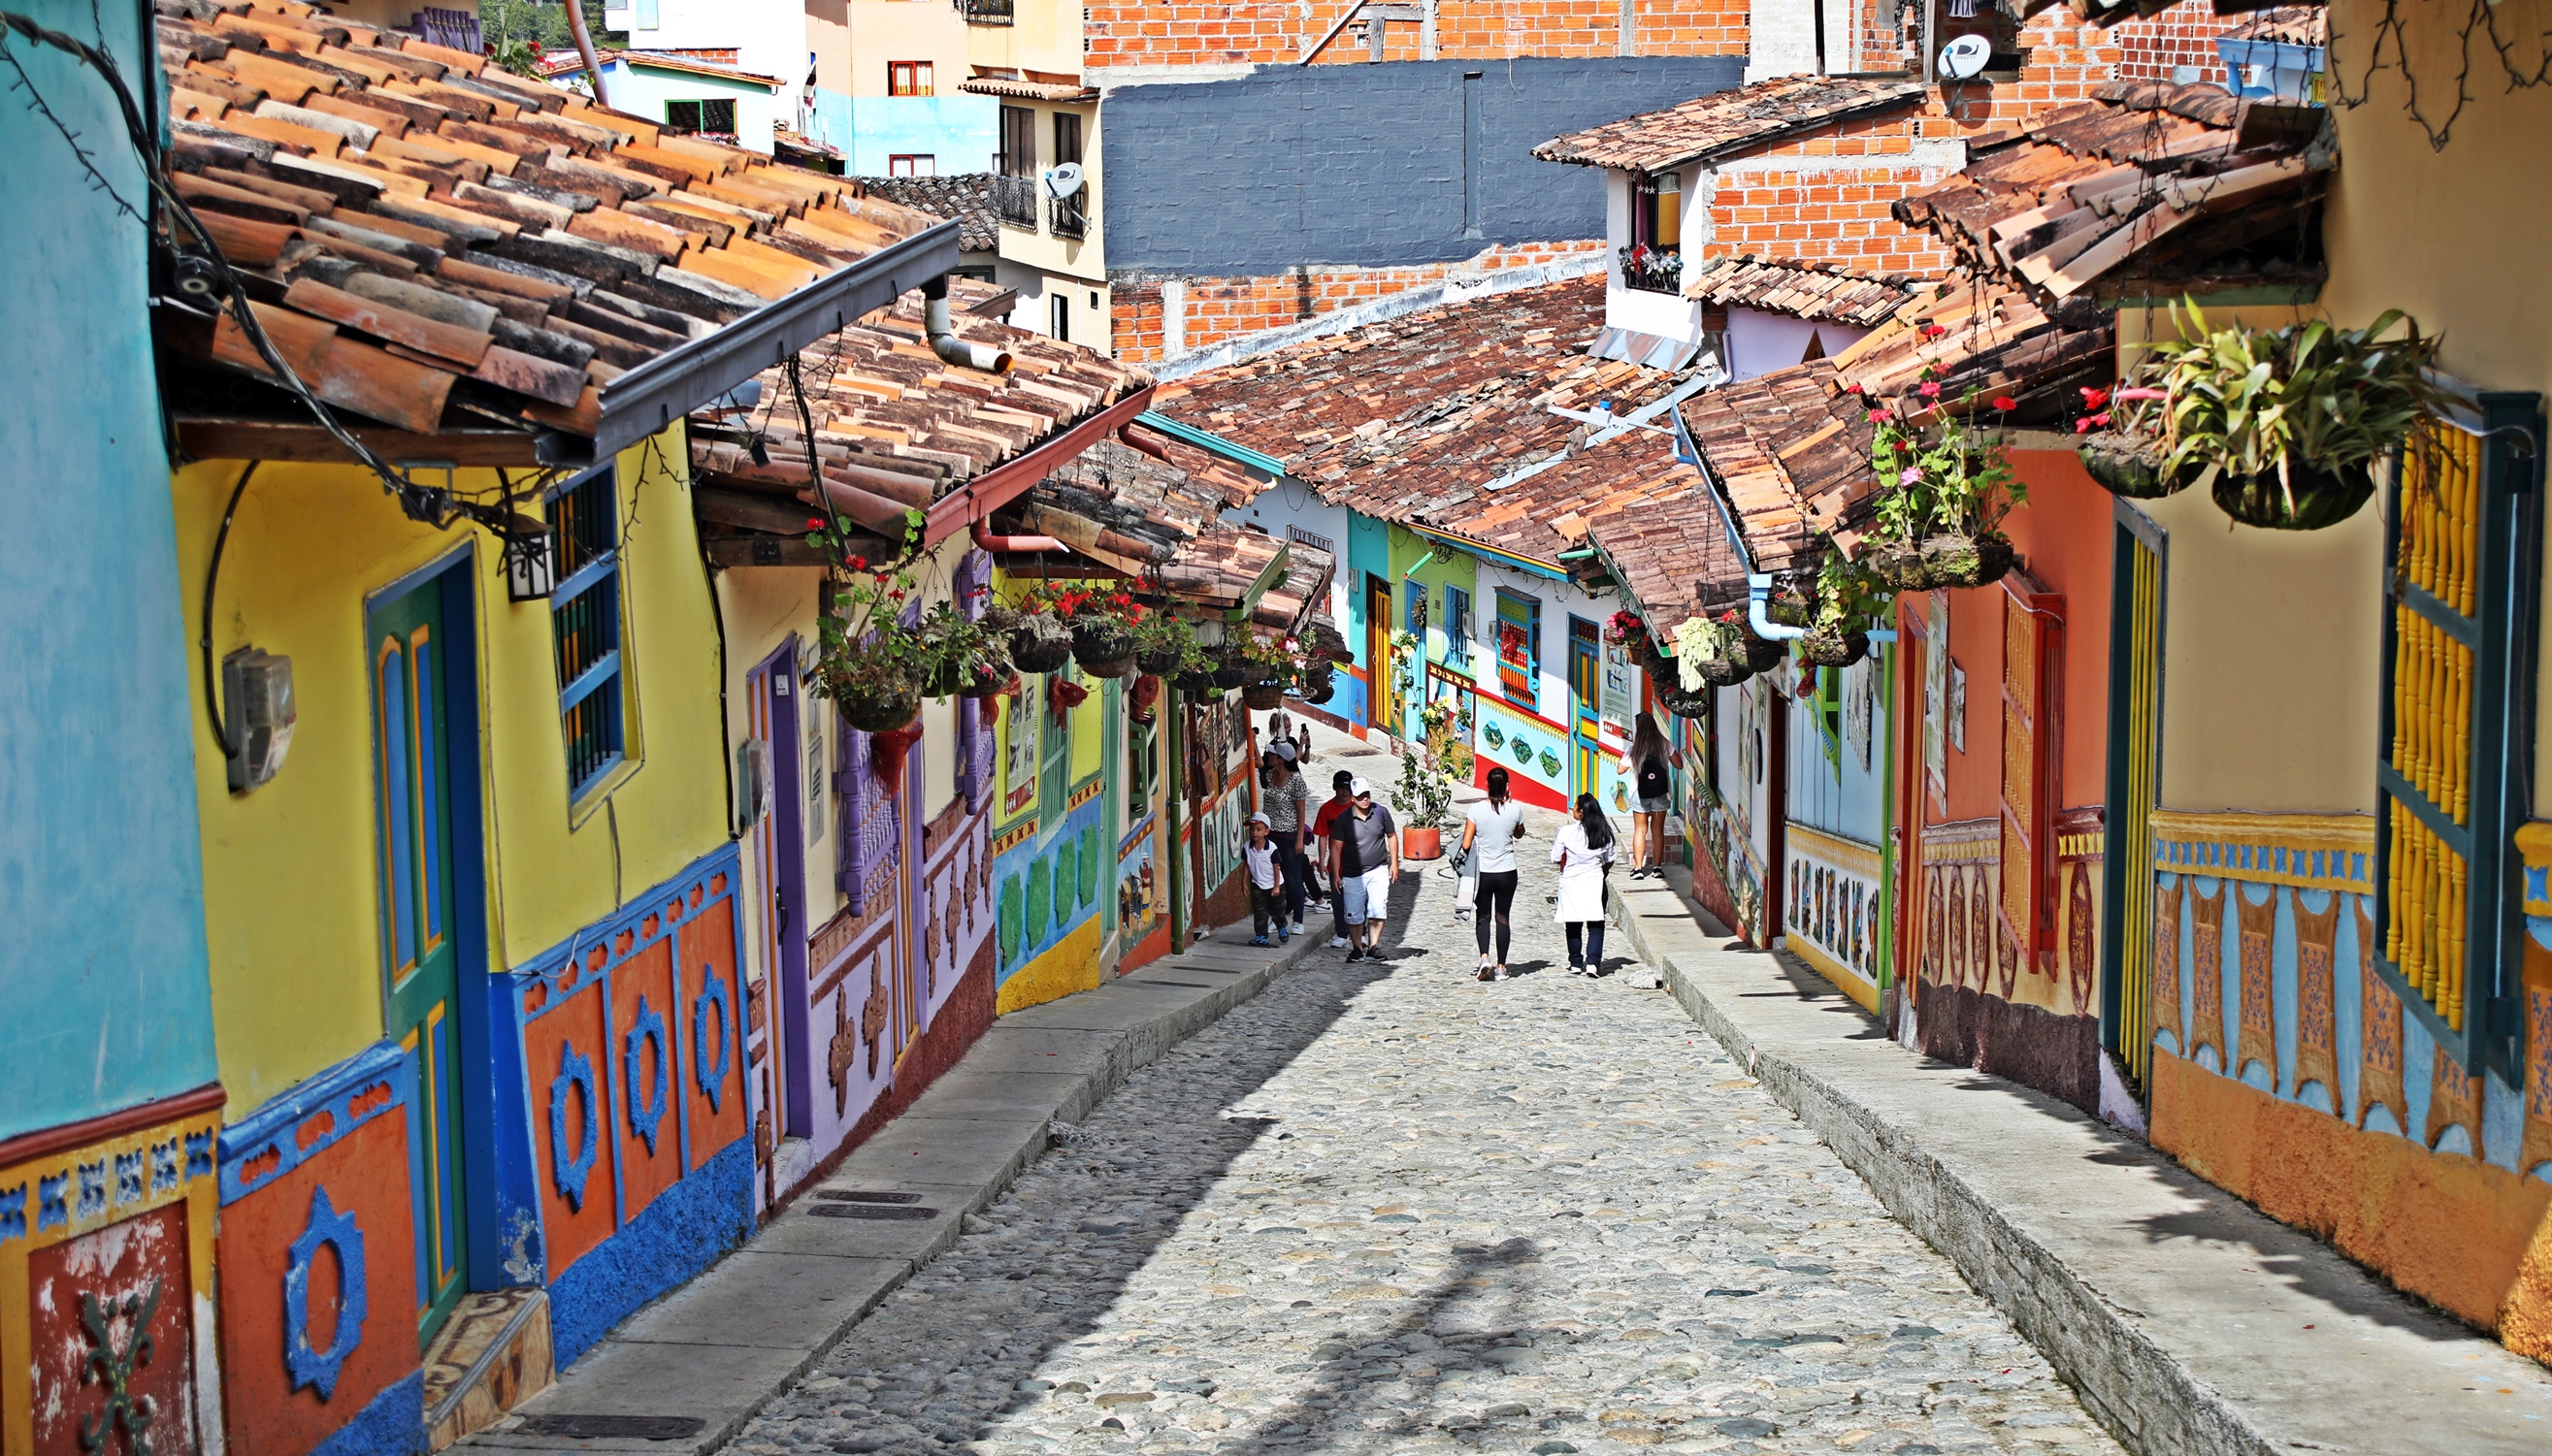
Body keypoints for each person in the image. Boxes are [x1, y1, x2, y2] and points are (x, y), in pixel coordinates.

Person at [1457, 765, 1527, 982]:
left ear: (1487, 785)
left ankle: (1484, 958)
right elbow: (1520, 833)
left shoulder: (1476, 810)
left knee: (1483, 917)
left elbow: (1466, 843)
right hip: (1507, 872)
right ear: (1506, 786)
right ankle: (1502, 968)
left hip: (1484, 873)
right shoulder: (1515, 811)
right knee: (1503, 918)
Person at [1327, 776, 1400, 963]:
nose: (1365, 799)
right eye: (1360, 796)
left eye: (1367, 794)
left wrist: (1394, 863)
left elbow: (1391, 836)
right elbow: (1335, 847)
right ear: (1353, 798)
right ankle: (1357, 948)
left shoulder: (1381, 813)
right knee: (1353, 913)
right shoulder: (1344, 820)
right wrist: (1335, 873)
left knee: (1378, 908)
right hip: (1352, 873)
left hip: (1378, 869)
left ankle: (1373, 946)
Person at [1552, 792, 1617, 976]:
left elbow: (1555, 857)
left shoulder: (1566, 832)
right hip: (1595, 882)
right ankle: (1593, 963)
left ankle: (1575, 963)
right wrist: (1603, 870)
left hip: (1571, 883)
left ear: (1581, 812)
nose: (1572, 808)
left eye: (1575, 806)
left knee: (1573, 923)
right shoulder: (1604, 832)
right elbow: (1610, 858)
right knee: (1596, 923)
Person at [1261, 742, 1312, 935]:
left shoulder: (1296, 781)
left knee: (1293, 879)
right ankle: (1278, 917)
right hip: (1270, 836)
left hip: (1289, 837)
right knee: (1274, 879)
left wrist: (1299, 839)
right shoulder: (1270, 775)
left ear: (1281, 758)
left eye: (1271, 754)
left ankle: (1298, 920)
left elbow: (1301, 811)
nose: (1268, 756)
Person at [1312, 769, 1357, 948]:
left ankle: (1362, 933)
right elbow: (1322, 836)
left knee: (1358, 900)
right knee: (1338, 902)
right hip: (1336, 865)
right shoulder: (1326, 809)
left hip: (1356, 862)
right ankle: (1342, 933)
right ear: (1334, 788)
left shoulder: (1357, 806)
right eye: (1340, 787)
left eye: (1347, 788)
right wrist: (1322, 861)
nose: (1344, 792)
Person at [1627, 712, 1673, 880]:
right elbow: (1680, 764)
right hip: (1660, 792)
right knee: (1657, 830)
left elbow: (1620, 769)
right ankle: (1657, 868)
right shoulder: (1664, 744)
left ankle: (1638, 869)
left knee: (1640, 830)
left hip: (1639, 793)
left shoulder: (1634, 748)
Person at [1242, 812, 1288, 947]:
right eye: (1252, 830)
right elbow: (1246, 865)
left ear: (1266, 831)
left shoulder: (1271, 848)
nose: (1254, 833)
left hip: (1275, 884)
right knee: (1260, 912)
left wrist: (1276, 886)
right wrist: (1244, 883)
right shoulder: (1247, 847)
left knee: (1278, 909)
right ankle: (1261, 936)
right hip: (1257, 885)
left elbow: (1276, 868)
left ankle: (1281, 927)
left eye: (1258, 829)